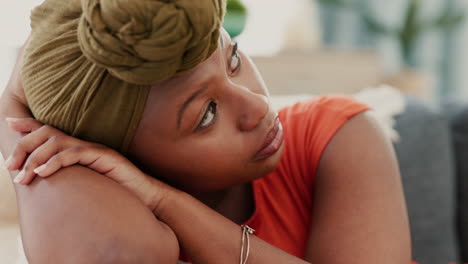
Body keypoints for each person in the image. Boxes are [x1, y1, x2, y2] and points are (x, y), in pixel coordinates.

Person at [0, 0, 413, 263]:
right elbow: (117, 253)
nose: (257, 107)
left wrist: (165, 201)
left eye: (234, 60)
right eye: (207, 114)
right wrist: (11, 127)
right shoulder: (119, 229)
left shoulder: (339, 134)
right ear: (123, 155)